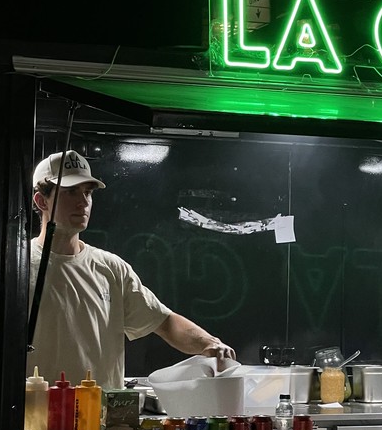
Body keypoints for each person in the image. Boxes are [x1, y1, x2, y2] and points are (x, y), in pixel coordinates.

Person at [28, 149, 236, 389]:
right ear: (41, 201)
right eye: (71, 191)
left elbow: (164, 322)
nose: (83, 202)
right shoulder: (18, 266)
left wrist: (210, 343)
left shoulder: (111, 268)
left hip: (100, 411)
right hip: (36, 411)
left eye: (88, 192)